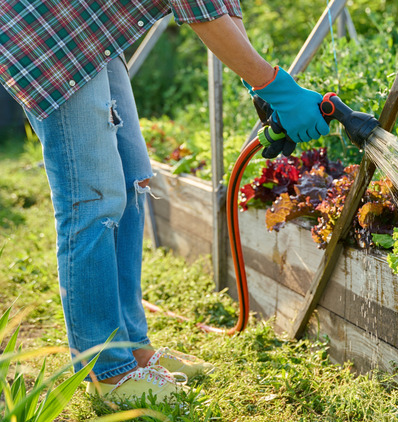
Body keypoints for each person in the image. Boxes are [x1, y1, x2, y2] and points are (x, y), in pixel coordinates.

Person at [0, 0, 328, 401]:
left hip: (86, 33)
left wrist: (263, 85)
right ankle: (107, 372)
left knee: (129, 178)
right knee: (92, 201)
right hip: (47, 32)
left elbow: (220, 3)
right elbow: (199, 8)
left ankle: (134, 349)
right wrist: (273, 84)